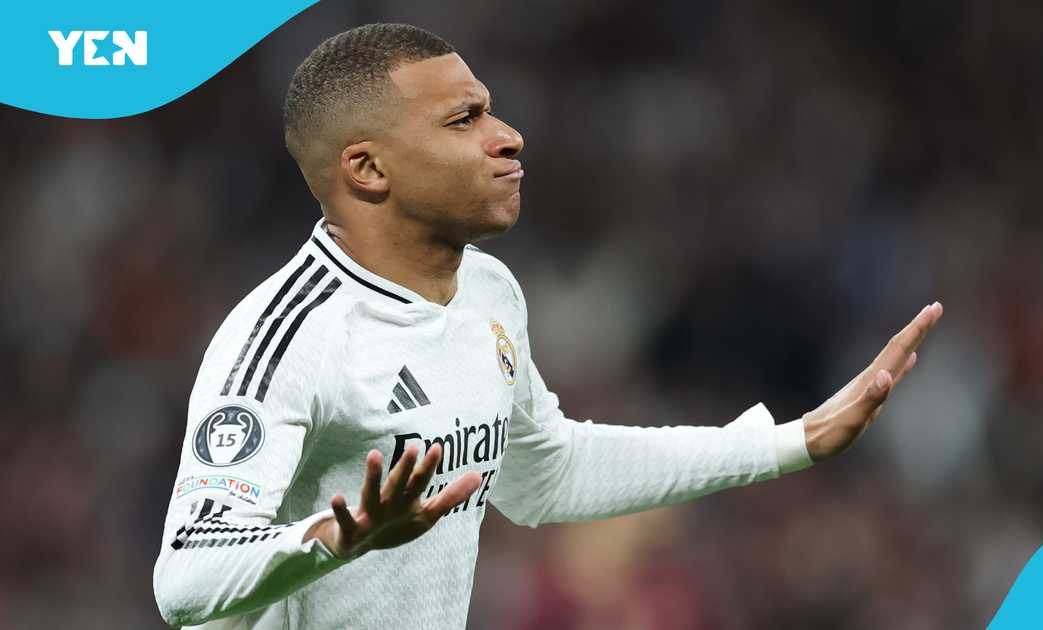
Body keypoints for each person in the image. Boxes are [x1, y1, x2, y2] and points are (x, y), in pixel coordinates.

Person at [152, 22, 943, 629]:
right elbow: (184, 584)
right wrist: (336, 537)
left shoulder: (488, 291)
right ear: (368, 169)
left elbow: (544, 475)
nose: (508, 136)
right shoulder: (289, 339)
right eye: (463, 121)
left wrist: (792, 441)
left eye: (490, 110)